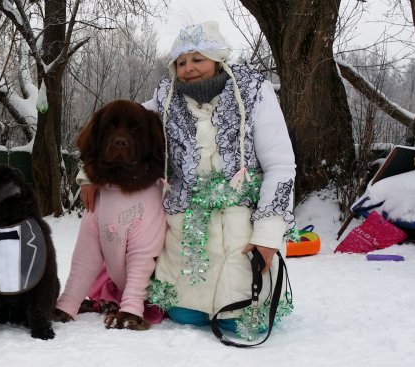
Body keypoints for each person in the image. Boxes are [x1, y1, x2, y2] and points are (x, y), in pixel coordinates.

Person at [78, 22, 296, 339]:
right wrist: (89, 175)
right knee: (184, 315)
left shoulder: (253, 94)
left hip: (241, 225)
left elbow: (280, 165)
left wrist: (268, 235)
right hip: (187, 227)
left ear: (217, 59)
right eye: (181, 62)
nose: (188, 69)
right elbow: (117, 126)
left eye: (197, 59)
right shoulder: (164, 102)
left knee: (238, 320)